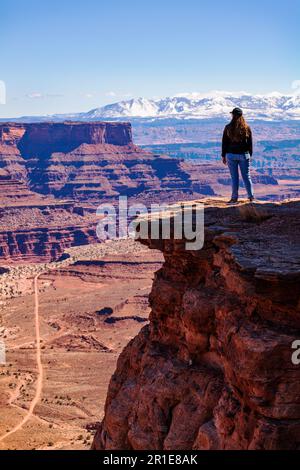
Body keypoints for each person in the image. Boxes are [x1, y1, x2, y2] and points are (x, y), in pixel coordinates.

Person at [222, 107, 254, 203]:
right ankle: (251, 197)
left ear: (232, 115)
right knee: (246, 176)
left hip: (230, 155)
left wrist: (223, 155)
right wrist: (249, 155)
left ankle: (234, 198)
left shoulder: (228, 127)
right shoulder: (246, 128)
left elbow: (224, 142)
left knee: (234, 177)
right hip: (244, 155)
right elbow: (250, 143)